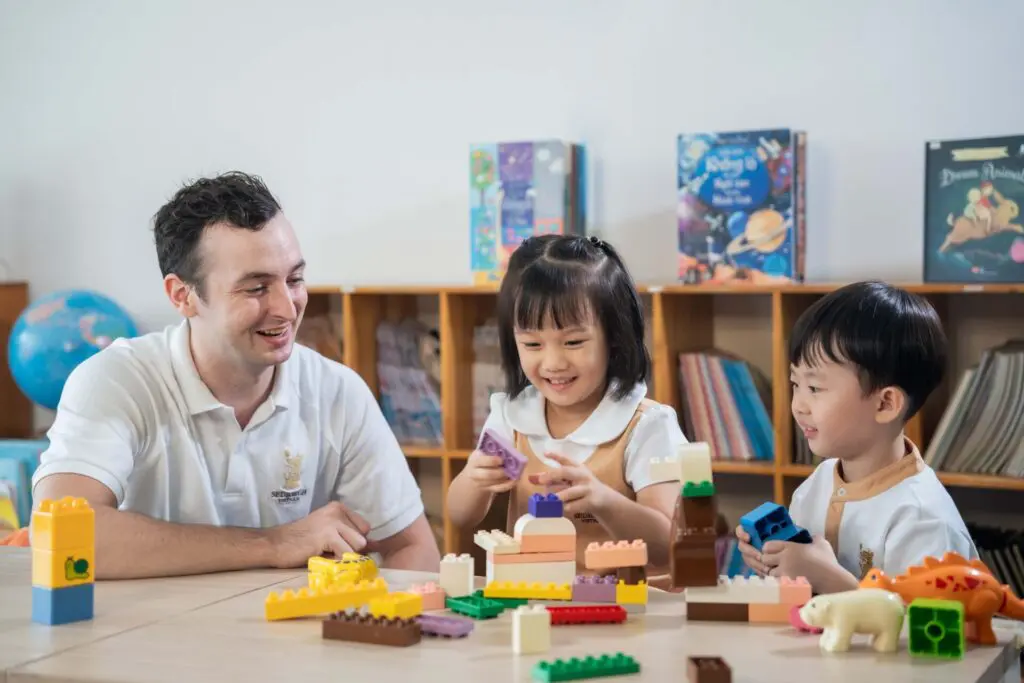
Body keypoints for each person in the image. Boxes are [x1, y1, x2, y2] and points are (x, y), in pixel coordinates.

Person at [31, 171, 440, 579]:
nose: (287, 308)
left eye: (294, 279)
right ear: (183, 296)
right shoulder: (116, 381)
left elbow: (413, 547)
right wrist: (274, 544)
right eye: (256, 288)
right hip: (150, 623)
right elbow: (62, 536)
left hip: (291, 622)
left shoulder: (337, 391)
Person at [446, 234, 686, 575]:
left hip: (625, 604)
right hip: (531, 597)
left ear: (614, 338)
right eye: (532, 344)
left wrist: (604, 501)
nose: (553, 363)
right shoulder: (512, 416)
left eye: (573, 342)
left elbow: (667, 544)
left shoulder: (646, 425)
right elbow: (460, 516)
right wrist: (474, 478)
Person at [737, 281, 977, 593]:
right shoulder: (818, 483)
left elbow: (922, 623)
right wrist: (774, 560)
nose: (798, 405)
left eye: (815, 388)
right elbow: (802, 591)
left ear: (885, 404)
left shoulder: (924, 521)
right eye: (796, 384)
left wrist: (831, 580)